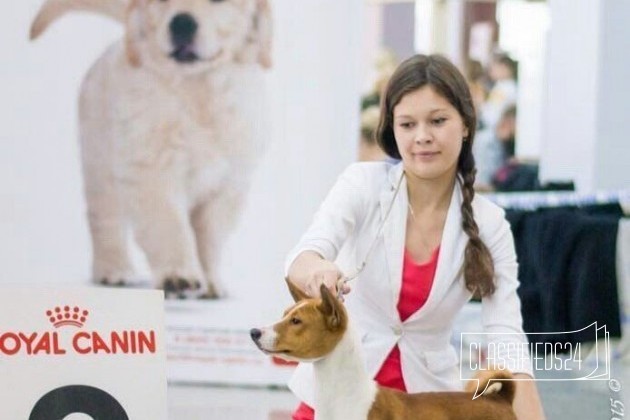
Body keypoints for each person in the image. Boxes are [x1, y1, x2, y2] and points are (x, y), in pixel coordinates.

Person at [284, 54, 545, 420]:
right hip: (335, 405)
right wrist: (316, 271)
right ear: (393, 130)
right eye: (407, 124)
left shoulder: (491, 223)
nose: (422, 136)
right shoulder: (361, 184)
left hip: (426, 406)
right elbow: (305, 254)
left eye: (438, 121)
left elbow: (506, 333)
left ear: (467, 124)